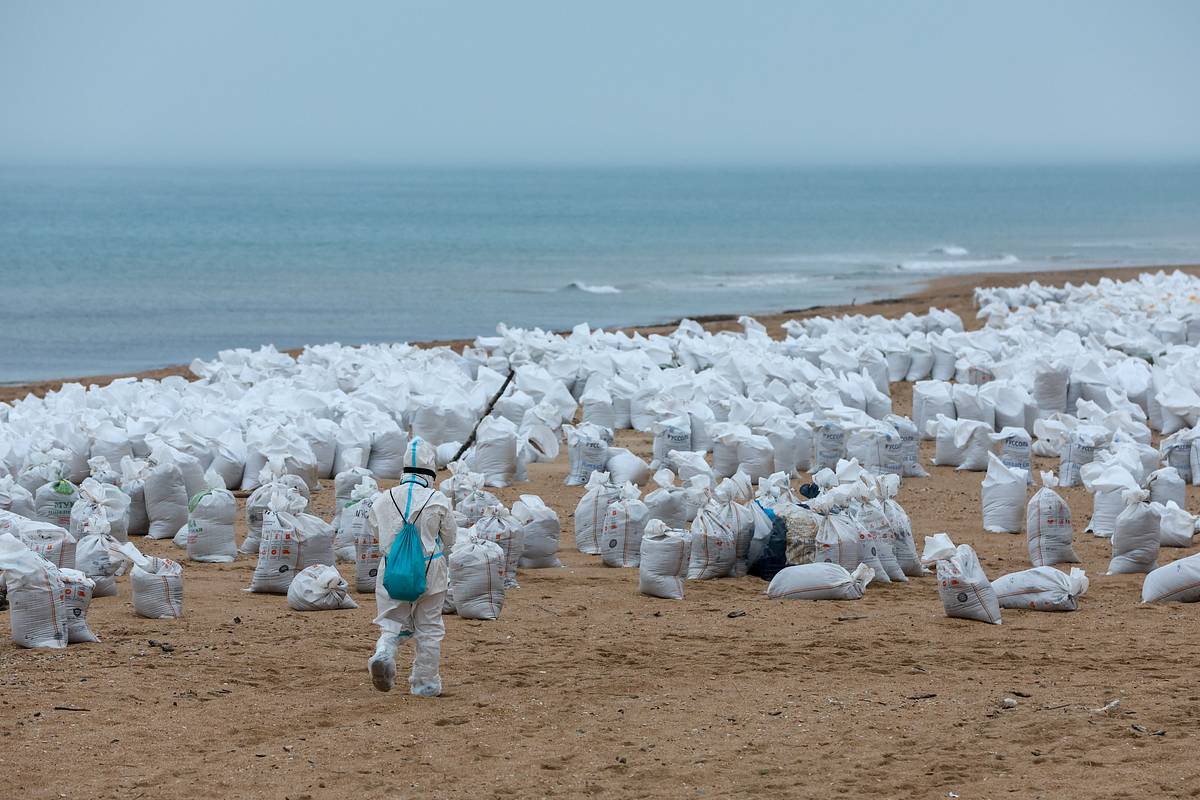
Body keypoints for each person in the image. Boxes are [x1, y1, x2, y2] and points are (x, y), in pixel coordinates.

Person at [366, 438, 456, 696]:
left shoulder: (384, 499)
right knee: (429, 627)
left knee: (392, 621)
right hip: (431, 569)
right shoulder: (437, 499)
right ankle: (425, 684)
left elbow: (375, 530)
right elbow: (450, 537)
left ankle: (384, 653)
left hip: (392, 569)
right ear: (431, 471)